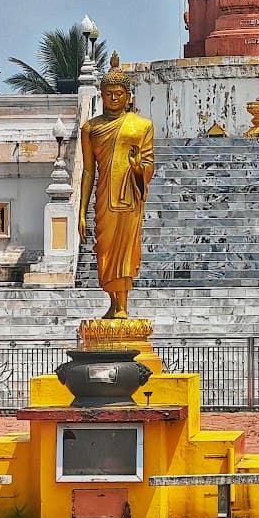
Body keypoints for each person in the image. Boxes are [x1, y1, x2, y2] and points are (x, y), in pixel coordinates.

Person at [78, 53, 155, 319]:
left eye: (118, 93)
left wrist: (137, 167)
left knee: (126, 251)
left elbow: (148, 164)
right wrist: (80, 211)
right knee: (105, 251)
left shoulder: (141, 126)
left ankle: (123, 304)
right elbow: (88, 171)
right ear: (101, 95)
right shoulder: (90, 128)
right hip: (103, 198)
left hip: (130, 198)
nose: (113, 98)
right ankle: (113, 301)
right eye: (108, 93)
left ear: (128, 95)